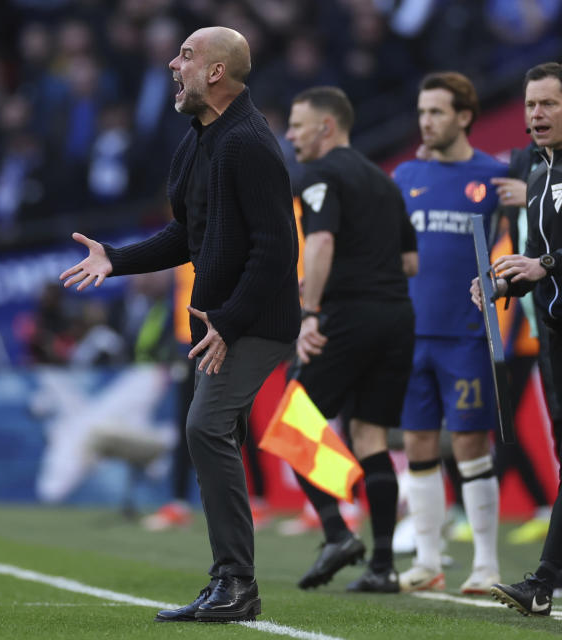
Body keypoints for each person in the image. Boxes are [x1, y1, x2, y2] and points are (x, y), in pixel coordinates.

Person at [59, 26, 300, 623]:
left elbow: (277, 248)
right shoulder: (197, 142)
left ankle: (237, 583)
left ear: (216, 72)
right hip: (219, 322)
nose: (172, 64)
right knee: (217, 433)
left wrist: (231, 319)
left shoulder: (249, 142)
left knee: (205, 427)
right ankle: (230, 581)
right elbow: (185, 236)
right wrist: (115, 259)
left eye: (186, 56)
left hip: (254, 320)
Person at [285, 86, 417, 593]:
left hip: (347, 317)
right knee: (369, 437)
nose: (291, 134)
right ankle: (382, 566)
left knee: (295, 425)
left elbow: (319, 240)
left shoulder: (322, 174)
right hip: (395, 316)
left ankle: (338, 531)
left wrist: (313, 309)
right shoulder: (384, 183)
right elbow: (410, 260)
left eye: (298, 125)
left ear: (327, 126)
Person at [392, 71, 507, 594]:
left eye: (436, 112)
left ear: (464, 116)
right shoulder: (404, 176)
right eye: (421, 112)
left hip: (466, 335)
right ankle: (429, 559)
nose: (426, 121)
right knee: (417, 441)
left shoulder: (494, 176)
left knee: (468, 442)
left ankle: (486, 565)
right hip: (412, 333)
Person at [472, 61, 562, 617]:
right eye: (530, 105)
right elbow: (538, 263)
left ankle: (544, 582)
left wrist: (544, 263)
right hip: (554, 333)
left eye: (548, 104)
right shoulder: (536, 175)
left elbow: (546, 260)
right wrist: (503, 282)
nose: (536, 114)